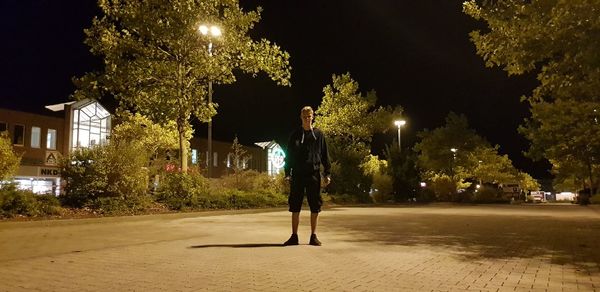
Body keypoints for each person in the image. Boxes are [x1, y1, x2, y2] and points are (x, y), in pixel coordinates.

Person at [283, 106, 331, 246]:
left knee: (315, 206)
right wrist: (287, 173)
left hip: (313, 174)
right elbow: (289, 156)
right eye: (305, 117)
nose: (307, 119)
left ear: (313, 117)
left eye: (309, 116)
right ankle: (294, 236)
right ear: (301, 117)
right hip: (297, 175)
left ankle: (313, 236)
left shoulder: (319, 135)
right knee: (295, 205)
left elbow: (325, 155)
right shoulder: (295, 135)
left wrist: (327, 173)